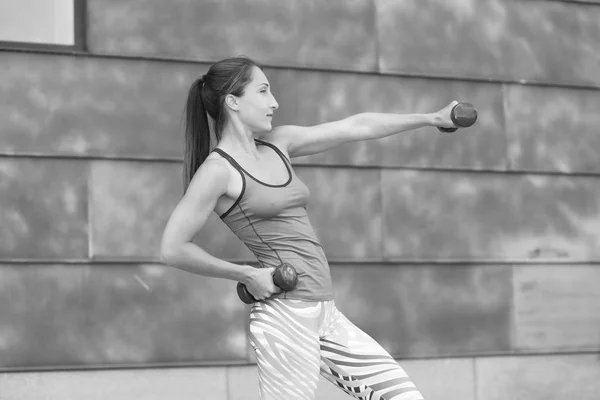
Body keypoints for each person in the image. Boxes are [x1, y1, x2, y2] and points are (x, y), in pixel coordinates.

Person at [160, 56, 460, 400]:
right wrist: (245, 274)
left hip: (325, 312)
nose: (274, 102)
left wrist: (431, 118)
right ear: (233, 101)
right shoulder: (218, 171)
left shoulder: (279, 144)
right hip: (284, 317)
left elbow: (357, 126)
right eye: (263, 91)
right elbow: (173, 248)